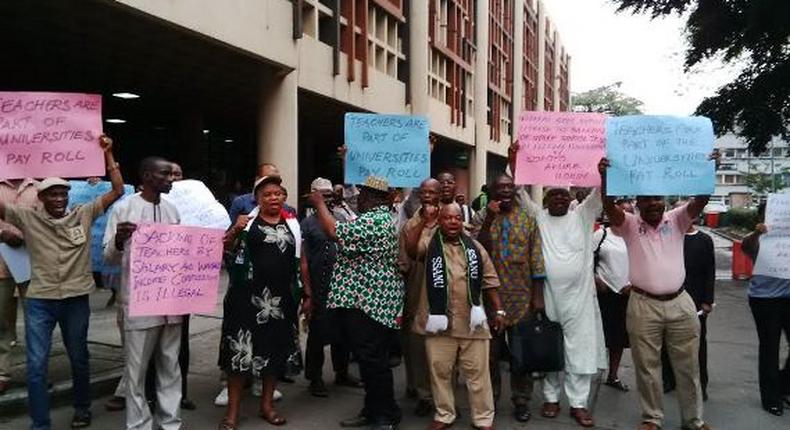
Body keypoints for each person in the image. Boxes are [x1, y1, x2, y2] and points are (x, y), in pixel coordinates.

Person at [0, 135, 124, 429]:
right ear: (40, 198)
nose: (58, 199)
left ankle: (82, 408)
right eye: (52, 194)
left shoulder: (84, 214)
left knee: (79, 357)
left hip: (76, 299)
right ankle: (40, 423)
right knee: (35, 366)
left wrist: (109, 154)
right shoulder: (27, 218)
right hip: (40, 301)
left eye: (62, 194)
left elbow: (118, 190)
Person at [601, 154, 717, 430]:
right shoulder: (629, 224)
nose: (652, 203)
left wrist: (709, 169)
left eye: (657, 198)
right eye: (646, 199)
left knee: (688, 367)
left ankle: (694, 420)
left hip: (680, 303)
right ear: (638, 202)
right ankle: (652, 418)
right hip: (642, 305)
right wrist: (606, 178)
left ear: (663, 200)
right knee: (647, 367)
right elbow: (609, 206)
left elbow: (700, 200)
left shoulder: (676, 219)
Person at [308, 176, 404, 430]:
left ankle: (384, 416)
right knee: (369, 360)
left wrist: (319, 204)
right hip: (365, 301)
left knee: (373, 361)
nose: (357, 197)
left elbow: (333, 231)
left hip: (370, 303)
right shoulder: (375, 217)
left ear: (373, 197)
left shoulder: (376, 219)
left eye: (361, 194)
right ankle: (374, 410)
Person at [217, 174, 308, 429]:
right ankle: (232, 413)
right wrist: (235, 228)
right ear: (256, 198)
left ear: (284, 198)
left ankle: (267, 406)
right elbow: (224, 247)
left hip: (279, 303)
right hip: (245, 300)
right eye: (267, 194)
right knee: (240, 356)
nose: (273, 198)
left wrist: (307, 294)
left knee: (274, 354)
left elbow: (301, 261)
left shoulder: (293, 225)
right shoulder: (247, 223)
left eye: (278, 193)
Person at [405, 203, 504, 430]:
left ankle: (483, 418)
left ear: (462, 221)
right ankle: (444, 414)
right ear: (440, 220)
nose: (452, 222)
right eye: (447, 218)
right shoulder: (430, 245)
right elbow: (410, 249)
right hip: (439, 324)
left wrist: (498, 311)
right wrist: (424, 221)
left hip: (472, 323)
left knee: (478, 375)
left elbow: (490, 282)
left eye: (457, 218)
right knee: (440, 372)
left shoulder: (475, 248)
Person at [103, 157, 182, 430]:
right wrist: (118, 240)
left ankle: (170, 422)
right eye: (165, 174)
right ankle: (139, 425)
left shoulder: (173, 210)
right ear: (148, 176)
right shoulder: (124, 208)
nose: (171, 179)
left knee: (170, 366)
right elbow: (108, 259)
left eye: (172, 175)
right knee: (135, 371)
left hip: (170, 303)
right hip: (138, 303)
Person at [472, 173, 546, 423]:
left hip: (521, 296)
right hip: (488, 297)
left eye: (508, 186)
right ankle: (490, 398)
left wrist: (538, 297)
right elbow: (475, 249)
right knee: (489, 354)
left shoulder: (528, 218)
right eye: (499, 186)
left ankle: (521, 400)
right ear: (492, 190)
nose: (504, 190)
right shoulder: (482, 215)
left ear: (515, 190)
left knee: (519, 353)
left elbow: (536, 257)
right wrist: (490, 216)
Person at [302, 177, 361, 398]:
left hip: (342, 286)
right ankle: (314, 377)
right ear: (313, 196)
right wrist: (307, 292)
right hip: (319, 287)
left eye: (329, 194)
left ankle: (342, 372)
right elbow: (304, 261)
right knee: (317, 334)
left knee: (343, 332)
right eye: (322, 194)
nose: (327, 198)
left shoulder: (340, 218)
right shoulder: (306, 224)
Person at [742, 203, 790, 416]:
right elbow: (745, 245)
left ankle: (782, 385)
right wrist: (757, 232)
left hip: (789, 298)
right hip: (764, 299)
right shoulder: (758, 239)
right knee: (770, 347)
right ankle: (771, 399)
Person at [398, 178, 441, 417]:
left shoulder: (450, 219)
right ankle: (421, 392)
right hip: (415, 290)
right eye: (423, 191)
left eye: (432, 191)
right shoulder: (411, 222)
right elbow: (406, 257)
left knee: (442, 342)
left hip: (442, 292)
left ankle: (442, 393)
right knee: (416, 343)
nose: (427, 195)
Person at [662, 215, 715, 400]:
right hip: (670, 296)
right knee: (667, 342)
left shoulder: (704, 240)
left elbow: (710, 271)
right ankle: (668, 379)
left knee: (698, 345)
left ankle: (701, 385)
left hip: (697, 301)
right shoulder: (670, 237)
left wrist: (708, 300)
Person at [0, 177, 39, 395]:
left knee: (37, 322)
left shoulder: (39, 189)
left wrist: (25, 237)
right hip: (1, 266)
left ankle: (37, 372)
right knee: (1, 322)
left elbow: (49, 222)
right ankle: (2, 373)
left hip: (32, 265)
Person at [594, 198, 634, 393]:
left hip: (627, 294)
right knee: (598, 336)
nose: (623, 216)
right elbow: (586, 259)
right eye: (620, 211)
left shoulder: (636, 237)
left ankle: (613, 375)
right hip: (603, 293)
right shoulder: (601, 235)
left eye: (628, 212)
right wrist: (595, 279)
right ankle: (588, 373)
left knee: (618, 339)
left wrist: (633, 285)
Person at [166, 162, 197, 411]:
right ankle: (151, 395)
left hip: (183, 284)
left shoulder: (195, 204)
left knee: (180, 344)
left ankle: (181, 392)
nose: (174, 178)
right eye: (169, 174)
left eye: (178, 173)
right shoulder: (143, 204)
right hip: (154, 285)